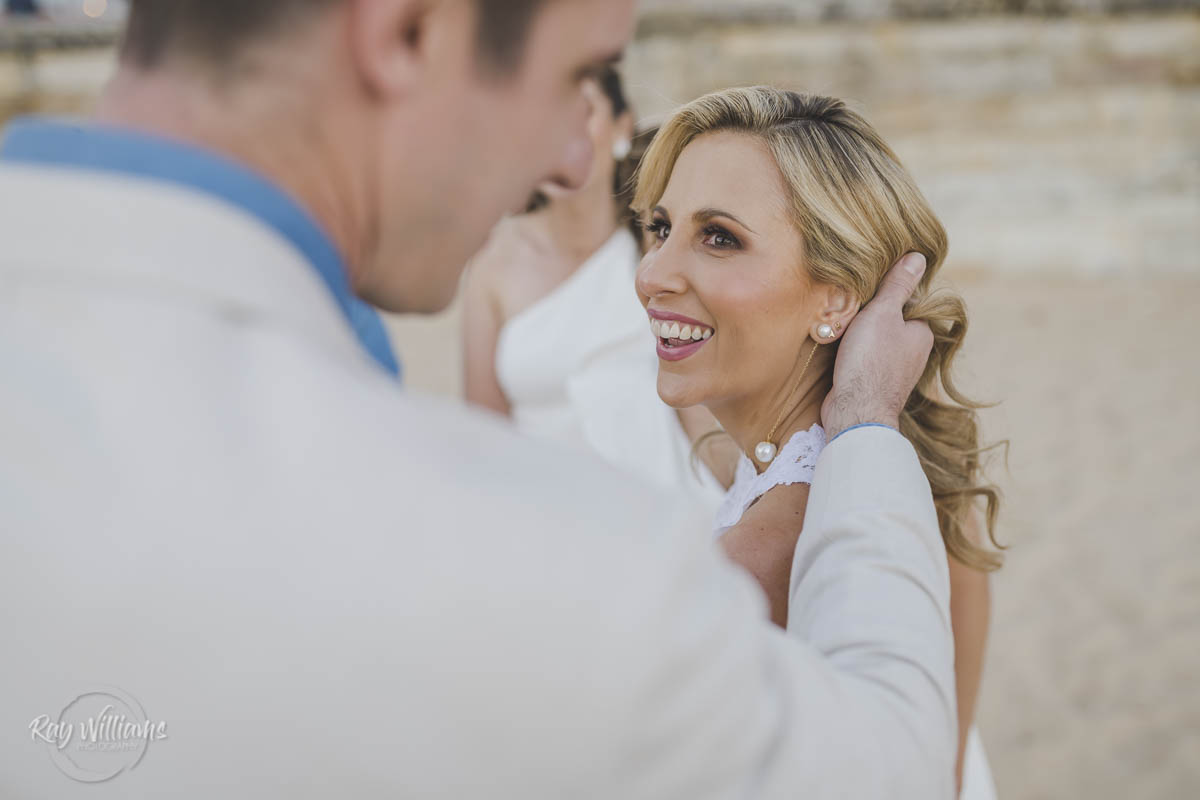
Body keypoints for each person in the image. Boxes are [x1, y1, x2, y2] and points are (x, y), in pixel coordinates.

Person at [0, 2, 953, 798]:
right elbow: (888, 769)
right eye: (572, 78)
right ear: (407, 29)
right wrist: (864, 430)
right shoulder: (538, 568)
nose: (569, 167)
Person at [632, 86, 1002, 798]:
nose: (651, 274)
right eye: (660, 227)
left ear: (834, 296)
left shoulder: (753, 562)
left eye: (719, 238)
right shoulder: (912, 481)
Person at [463, 67, 730, 508]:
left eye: (581, 112)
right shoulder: (492, 263)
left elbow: (700, 414)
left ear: (621, 126)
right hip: (543, 518)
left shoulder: (654, 248)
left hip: (664, 504)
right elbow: (482, 437)